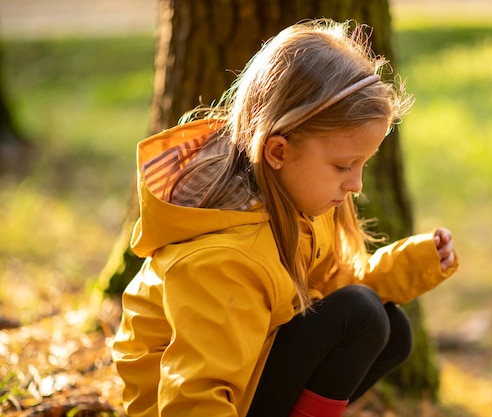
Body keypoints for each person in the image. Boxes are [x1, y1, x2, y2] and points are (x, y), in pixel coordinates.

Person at [112, 18, 458, 417]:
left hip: (250, 369)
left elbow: (330, 290)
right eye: (344, 166)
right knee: (364, 315)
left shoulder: (297, 205)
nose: (357, 185)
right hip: (194, 405)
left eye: (363, 165)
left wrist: (415, 263)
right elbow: (195, 392)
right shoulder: (220, 257)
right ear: (278, 152)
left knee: (389, 328)